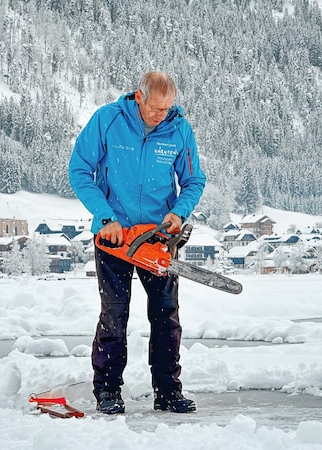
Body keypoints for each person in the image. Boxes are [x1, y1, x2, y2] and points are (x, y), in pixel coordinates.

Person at [69, 71, 206, 414]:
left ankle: (168, 390)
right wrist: (104, 217)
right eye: (156, 108)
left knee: (166, 317)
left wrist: (178, 213)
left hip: (157, 241)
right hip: (115, 238)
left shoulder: (178, 129)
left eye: (167, 109)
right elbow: (80, 171)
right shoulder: (108, 120)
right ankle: (108, 390)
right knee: (114, 315)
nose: (162, 115)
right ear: (140, 97)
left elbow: (193, 180)